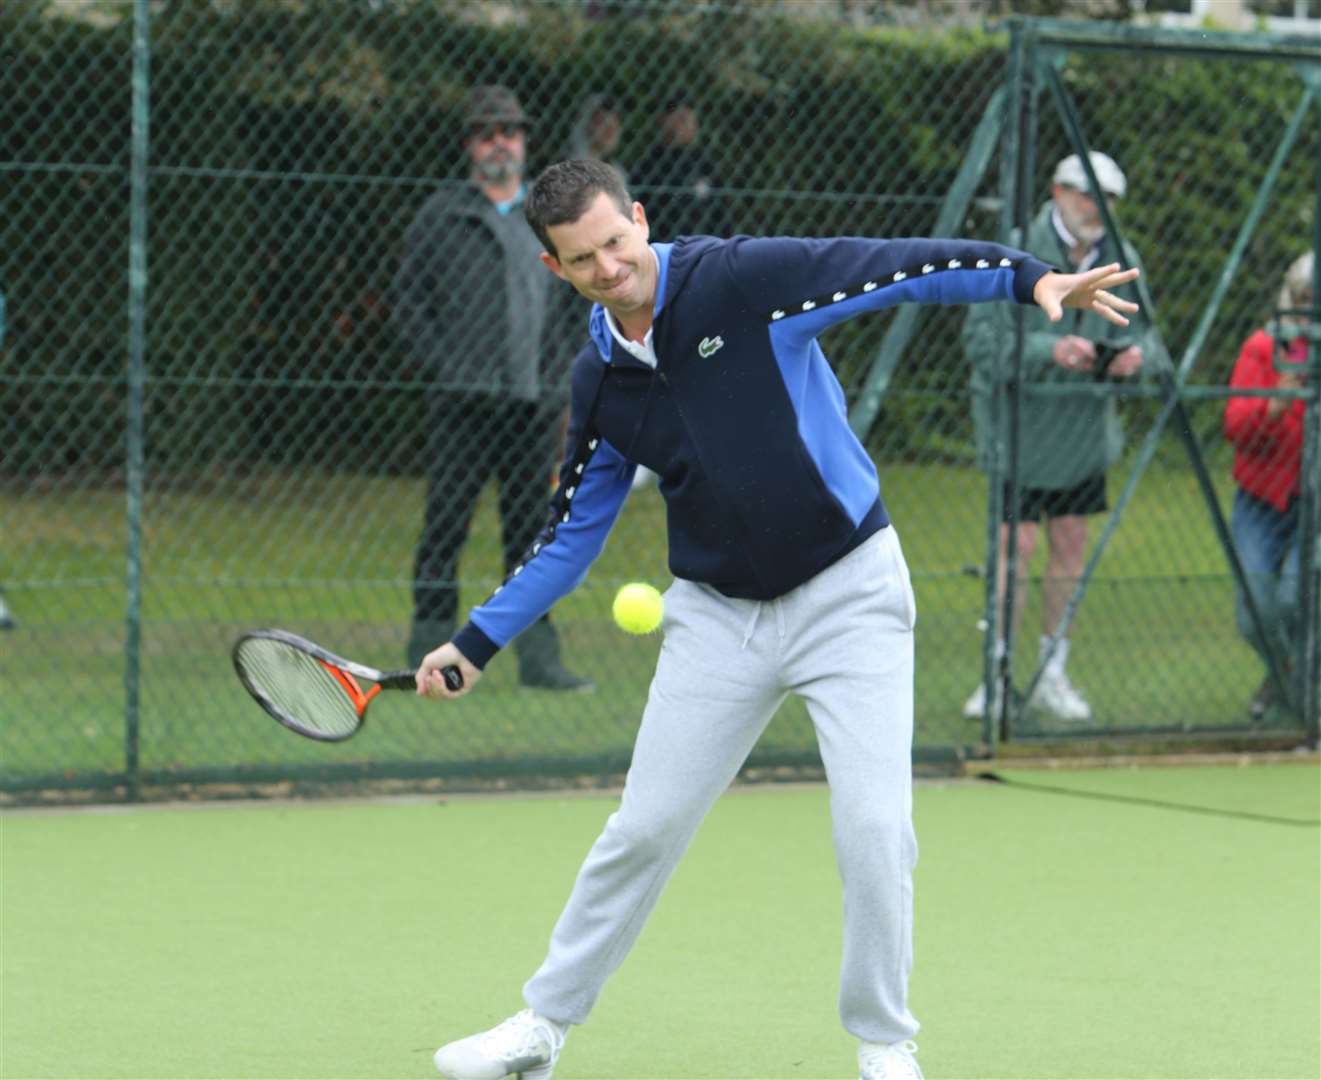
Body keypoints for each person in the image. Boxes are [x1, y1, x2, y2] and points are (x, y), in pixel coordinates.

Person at [414, 159, 1140, 1080]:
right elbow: (567, 536)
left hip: (850, 598)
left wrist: (1028, 276)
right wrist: (477, 640)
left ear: (638, 219)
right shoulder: (598, 380)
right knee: (642, 829)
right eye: (582, 258)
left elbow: (896, 266)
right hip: (717, 621)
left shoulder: (740, 279)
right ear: (556, 270)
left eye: (615, 240)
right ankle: (541, 1029)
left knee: (874, 831)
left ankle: (884, 1044)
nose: (608, 266)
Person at [391, 85, 591, 691]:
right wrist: (450, 367)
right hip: (462, 407)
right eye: (486, 133)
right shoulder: (441, 215)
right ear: (469, 147)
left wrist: (560, 378)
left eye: (509, 131)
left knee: (533, 537)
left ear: (525, 142)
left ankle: (539, 662)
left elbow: (577, 302)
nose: (499, 142)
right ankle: (427, 658)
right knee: (444, 529)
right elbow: (407, 306)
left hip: (534, 409)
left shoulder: (549, 218)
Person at [962, 151, 1164, 724]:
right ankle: (995, 673)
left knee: (1069, 546)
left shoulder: (1124, 257)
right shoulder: (1014, 252)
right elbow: (982, 343)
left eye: (1103, 199)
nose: (1090, 208)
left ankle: (1052, 670)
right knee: (1015, 550)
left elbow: (1153, 340)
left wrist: (1134, 358)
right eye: (1080, 193)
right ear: (1056, 190)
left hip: (1083, 435)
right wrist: (1051, 350)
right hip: (1019, 432)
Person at [1224, 249, 1311, 720]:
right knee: (1255, 609)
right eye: (1305, 297)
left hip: (1314, 502)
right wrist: (1275, 404)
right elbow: (1236, 428)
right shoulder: (1264, 348)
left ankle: (1298, 687)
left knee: (1295, 598)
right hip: (1262, 499)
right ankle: (1284, 673)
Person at [630, 95, 732, 238]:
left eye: (689, 119)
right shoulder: (649, 165)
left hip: (703, 245)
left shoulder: (705, 165)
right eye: (680, 119)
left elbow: (721, 214)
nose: (687, 124)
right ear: (662, 121)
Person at [564, 94, 628, 185]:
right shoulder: (568, 170)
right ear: (585, 125)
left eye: (615, 122)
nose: (610, 129)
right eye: (601, 121)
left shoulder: (618, 173)